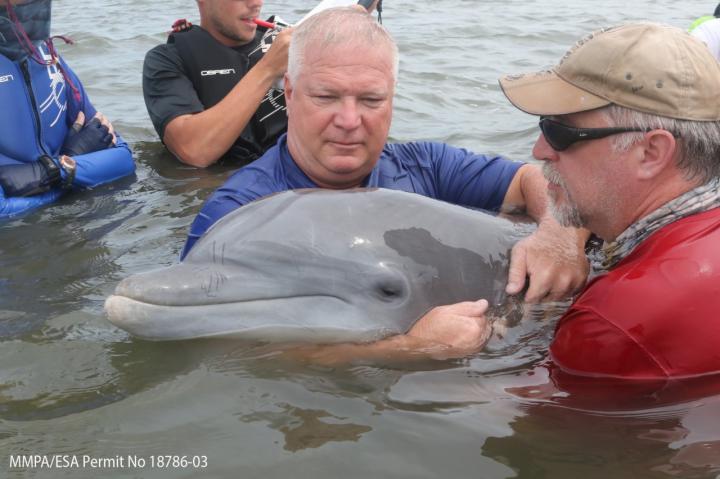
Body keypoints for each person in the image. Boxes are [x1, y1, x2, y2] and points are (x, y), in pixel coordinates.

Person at [182, 6, 591, 357]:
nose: (348, 121)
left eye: (371, 100)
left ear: (392, 98)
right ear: (288, 93)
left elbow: (531, 178)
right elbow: (227, 346)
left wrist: (560, 237)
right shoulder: (238, 213)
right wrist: (409, 350)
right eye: (326, 97)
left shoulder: (425, 164)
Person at [430, 22, 720, 381]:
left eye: (560, 133)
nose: (539, 151)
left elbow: (530, 432)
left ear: (651, 152)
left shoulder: (616, 322)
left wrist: (418, 354)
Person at [0, 0, 135, 218]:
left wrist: (57, 169)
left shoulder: (48, 58)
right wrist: (79, 170)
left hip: (77, 230)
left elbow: (123, 160)